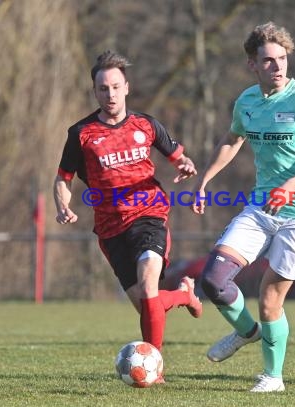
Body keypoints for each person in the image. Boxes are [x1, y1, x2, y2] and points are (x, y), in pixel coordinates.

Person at [191, 22, 295, 392]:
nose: (278, 67)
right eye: (269, 61)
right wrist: (204, 180)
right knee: (212, 279)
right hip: (261, 206)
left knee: (270, 297)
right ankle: (247, 332)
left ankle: (273, 377)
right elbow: (231, 139)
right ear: (252, 65)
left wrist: (291, 185)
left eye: (282, 59)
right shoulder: (247, 102)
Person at [53, 51, 203, 367]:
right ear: (95, 91)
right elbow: (62, 179)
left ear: (127, 88)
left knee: (149, 284)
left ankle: (154, 367)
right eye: (103, 88)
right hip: (110, 229)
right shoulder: (81, 134)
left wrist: (187, 166)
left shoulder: (146, 125)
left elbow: (180, 158)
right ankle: (184, 295)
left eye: (116, 87)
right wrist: (63, 206)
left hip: (149, 215)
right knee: (148, 305)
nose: (110, 94)